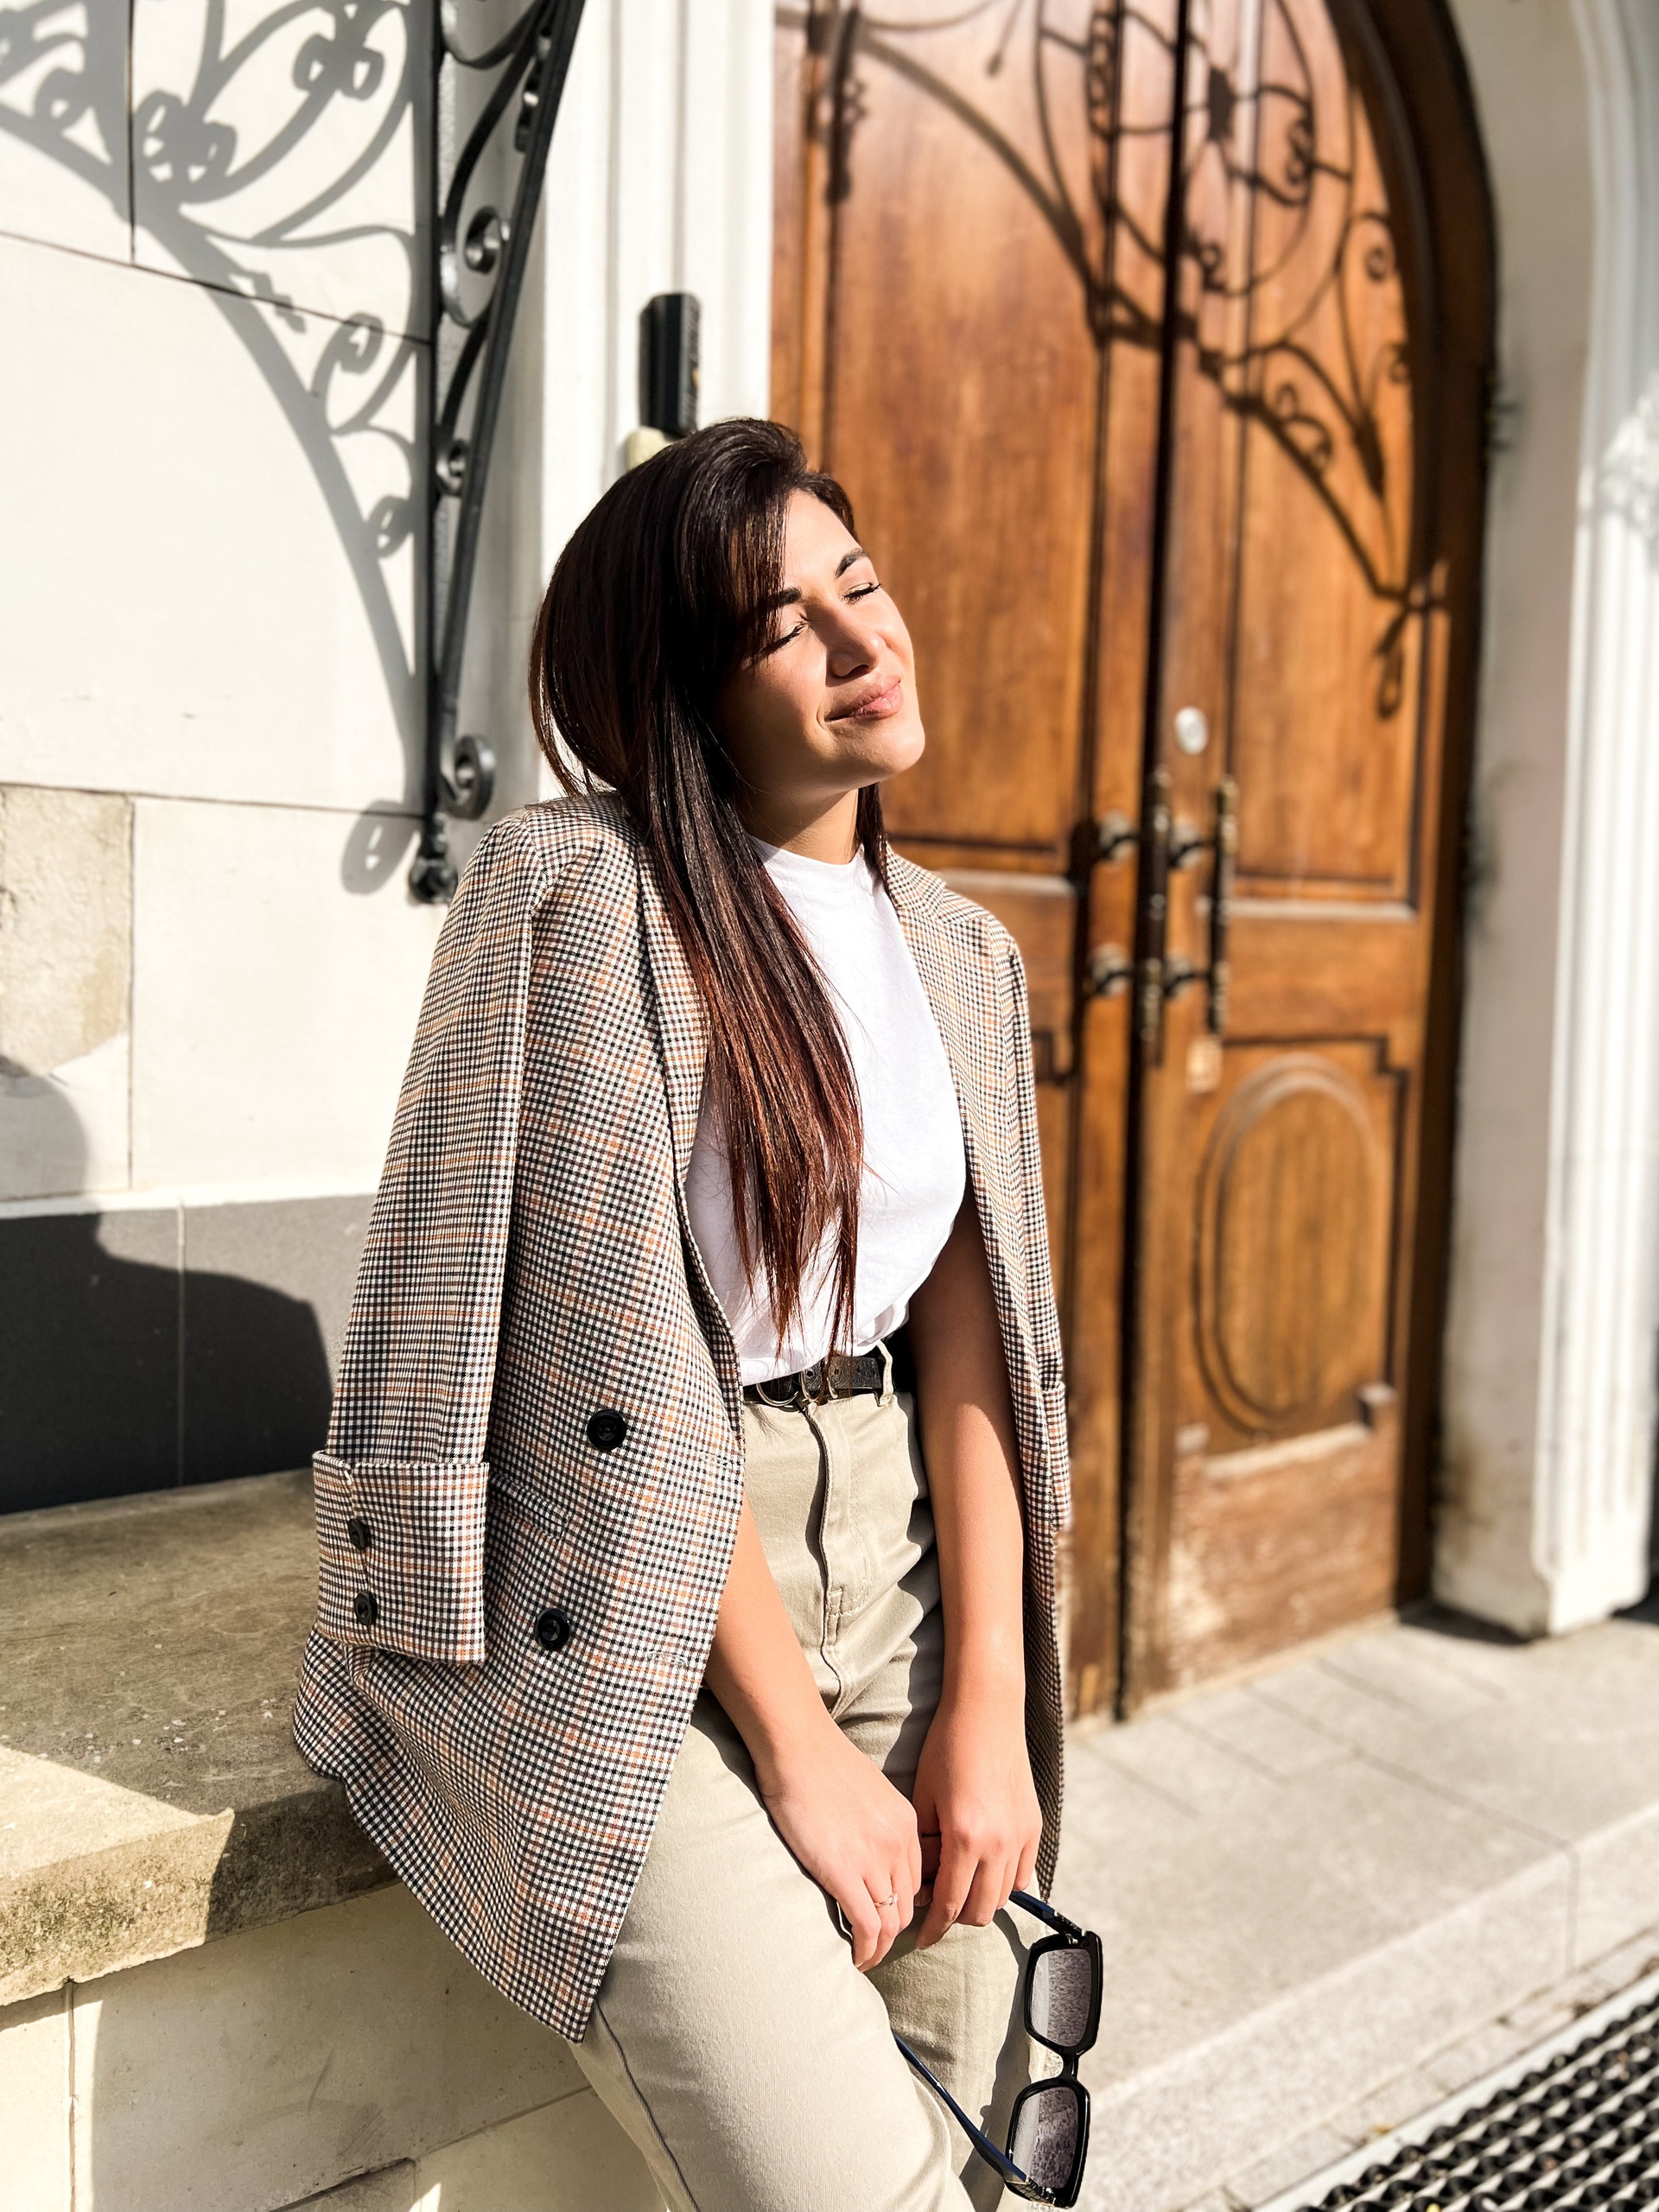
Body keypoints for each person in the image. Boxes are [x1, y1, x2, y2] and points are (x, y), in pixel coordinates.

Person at [294, 418, 1070, 2210]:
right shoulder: (584, 898)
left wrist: (992, 1701)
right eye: (785, 626)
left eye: (858, 584)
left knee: (974, 2159)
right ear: (685, 694)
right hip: (642, 1584)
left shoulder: (959, 948)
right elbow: (610, 1367)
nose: (862, 641)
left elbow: (975, 1340)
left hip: (905, 1559)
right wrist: (797, 1750)